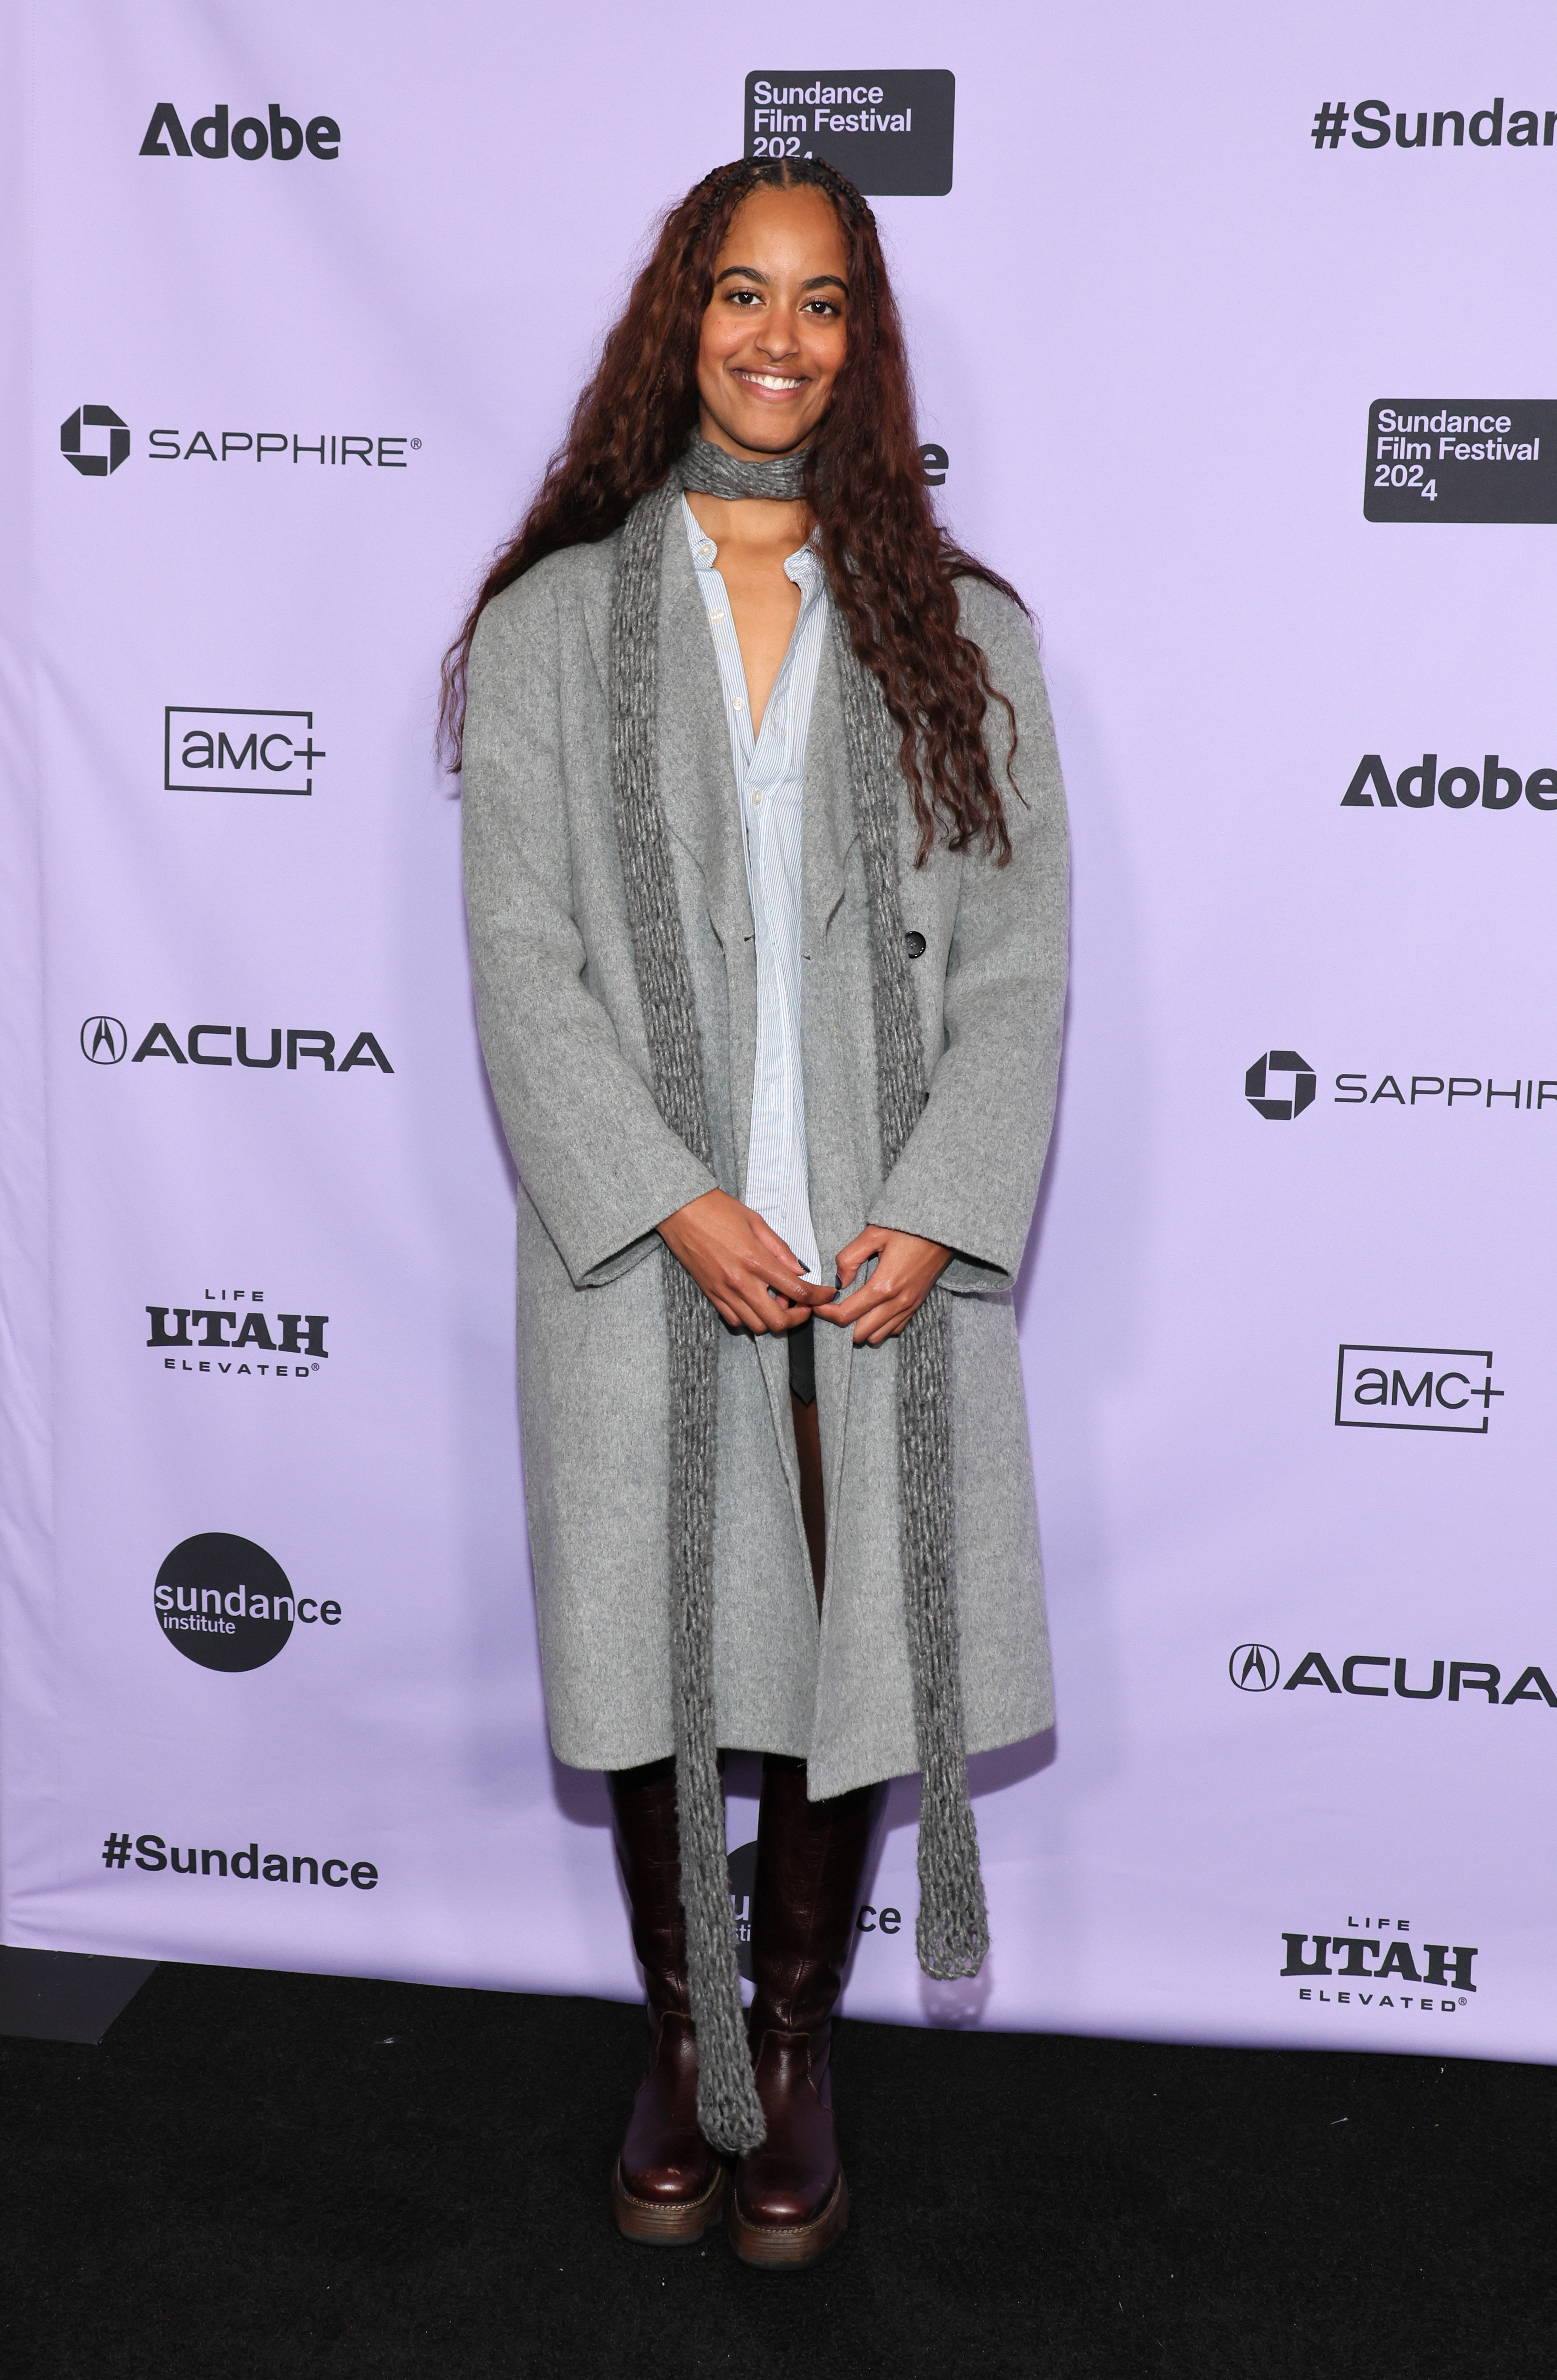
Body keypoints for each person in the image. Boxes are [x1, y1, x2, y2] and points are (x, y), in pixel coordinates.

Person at [446, 155, 1068, 2269]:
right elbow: (523, 958)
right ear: (680, 319)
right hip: (659, 1243)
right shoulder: (551, 628)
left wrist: (942, 1203)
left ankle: (789, 2042)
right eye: (740, 292)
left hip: (876, 1247)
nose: (776, 338)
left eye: (819, 302)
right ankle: (685, 2028)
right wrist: (662, 1197)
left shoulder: (963, 633)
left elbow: (1019, 966)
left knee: (839, 1649)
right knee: (652, 1637)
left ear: (862, 341)